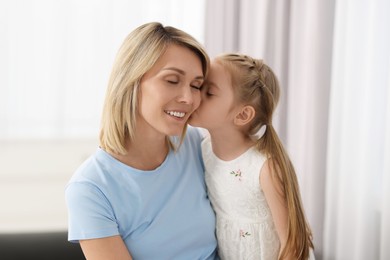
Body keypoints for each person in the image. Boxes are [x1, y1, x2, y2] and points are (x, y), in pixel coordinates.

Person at [65, 22, 218, 260]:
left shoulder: (196, 145)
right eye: (171, 80)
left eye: (196, 85)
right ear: (131, 81)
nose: (189, 98)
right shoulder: (90, 189)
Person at [189, 53, 314, 260]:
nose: (194, 95)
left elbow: (292, 244)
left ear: (242, 115)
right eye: (199, 86)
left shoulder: (264, 168)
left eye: (209, 92)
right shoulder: (203, 150)